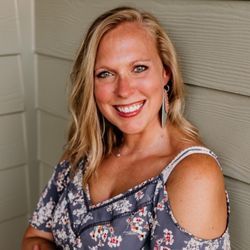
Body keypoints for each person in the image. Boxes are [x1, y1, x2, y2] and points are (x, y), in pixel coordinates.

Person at [22, 6, 230, 249]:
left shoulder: (192, 174)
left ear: (165, 73)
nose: (124, 90)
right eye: (105, 74)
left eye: (139, 68)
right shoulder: (84, 152)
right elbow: (35, 238)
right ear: (90, 83)